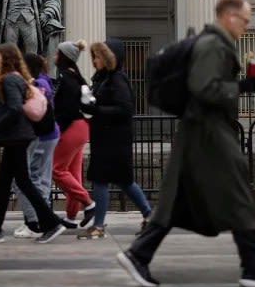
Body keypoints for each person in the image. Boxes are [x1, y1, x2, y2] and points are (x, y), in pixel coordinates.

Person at [118, 0, 255, 287]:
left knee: (177, 201)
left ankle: (139, 254)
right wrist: (241, 87)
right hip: (209, 132)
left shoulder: (215, 44)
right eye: (245, 21)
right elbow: (203, 87)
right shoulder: (213, 45)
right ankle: (254, 267)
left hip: (200, 132)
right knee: (239, 195)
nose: (246, 27)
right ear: (229, 16)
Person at [0, 43, 65, 244]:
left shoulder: (10, 80)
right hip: (16, 138)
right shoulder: (12, 79)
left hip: (16, 138)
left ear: (6, 60)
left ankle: (50, 222)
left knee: (22, 181)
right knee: (4, 185)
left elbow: (15, 108)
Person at [78, 39, 151, 240]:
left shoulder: (117, 80)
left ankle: (99, 225)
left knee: (107, 179)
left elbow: (125, 109)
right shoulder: (105, 79)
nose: (95, 60)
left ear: (110, 58)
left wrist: (96, 110)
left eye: (99, 56)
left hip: (114, 139)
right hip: (107, 137)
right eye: (95, 56)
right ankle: (149, 216)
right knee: (121, 180)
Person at [13, 52, 60, 238]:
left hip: (42, 136)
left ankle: (35, 221)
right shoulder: (44, 81)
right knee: (41, 178)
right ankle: (41, 218)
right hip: (50, 134)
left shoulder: (38, 84)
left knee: (33, 178)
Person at [51, 40, 95, 229]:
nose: (54, 57)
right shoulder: (75, 76)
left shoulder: (65, 78)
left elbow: (66, 109)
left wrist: (58, 129)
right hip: (82, 127)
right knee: (73, 173)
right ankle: (70, 217)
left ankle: (89, 202)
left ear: (64, 57)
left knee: (57, 170)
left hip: (71, 127)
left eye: (57, 54)